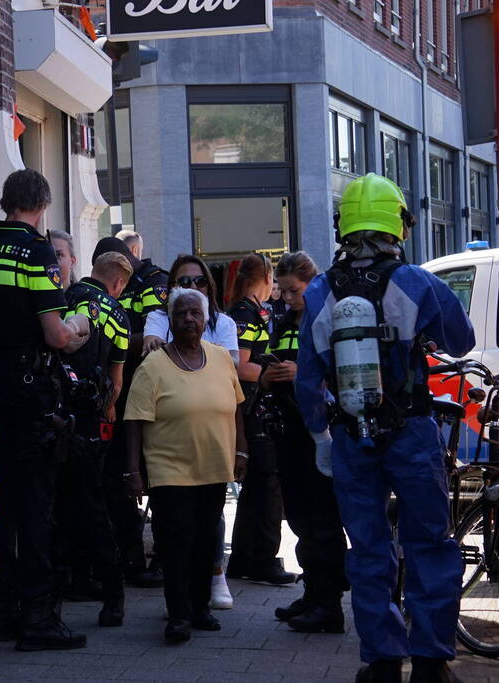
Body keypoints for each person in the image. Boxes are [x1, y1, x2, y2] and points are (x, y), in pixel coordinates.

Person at [296, 174, 475, 683]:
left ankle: (379, 664)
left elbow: (308, 379)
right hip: (412, 435)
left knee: (370, 549)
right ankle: (432, 663)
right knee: (429, 544)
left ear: (343, 224)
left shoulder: (319, 291)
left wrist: (319, 439)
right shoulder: (417, 281)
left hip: (351, 437)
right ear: (397, 222)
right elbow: (461, 342)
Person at [0, 168, 90, 651]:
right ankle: (38, 618)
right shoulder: (36, 251)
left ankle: (1, 611)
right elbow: (56, 334)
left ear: (5, 202)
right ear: (41, 207)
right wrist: (80, 325)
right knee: (35, 505)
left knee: (0, 505)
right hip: (29, 391)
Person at [124, 288, 248, 643]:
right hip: (170, 470)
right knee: (175, 544)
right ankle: (177, 615)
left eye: (195, 313)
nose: (189, 320)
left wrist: (242, 451)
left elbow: (237, 405)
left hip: (213, 466)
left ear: (206, 318)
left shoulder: (221, 357)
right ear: (171, 321)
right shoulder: (154, 365)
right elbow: (134, 420)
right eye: (182, 314)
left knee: (206, 542)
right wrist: (133, 471)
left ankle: (200, 608)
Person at [142, 254, 239, 610]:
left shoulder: (223, 322)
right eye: (184, 282)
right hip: (171, 446)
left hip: (213, 441)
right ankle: (179, 607)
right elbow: (152, 344)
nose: (192, 288)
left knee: (209, 521)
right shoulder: (160, 317)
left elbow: (233, 368)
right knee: (176, 529)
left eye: (199, 281)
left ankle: (214, 577)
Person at [261, 251, 349, 633]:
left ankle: (328, 604)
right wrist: (269, 377)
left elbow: (342, 371)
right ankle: (313, 593)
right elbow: (265, 366)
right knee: (299, 520)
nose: (286, 297)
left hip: (321, 433)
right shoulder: (284, 321)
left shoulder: (328, 319)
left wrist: (304, 372)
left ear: (312, 283)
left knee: (322, 522)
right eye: (281, 290)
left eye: (293, 290)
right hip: (289, 432)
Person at [54, 252, 133, 627]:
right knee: (93, 505)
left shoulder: (65, 294)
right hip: (89, 421)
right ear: (118, 283)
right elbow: (116, 382)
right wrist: (107, 409)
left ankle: (70, 582)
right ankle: (113, 594)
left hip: (54, 412)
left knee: (54, 504)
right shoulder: (118, 315)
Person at [96, 236, 169, 588]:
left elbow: (157, 333)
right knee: (121, 476)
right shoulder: (109, 287)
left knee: (152, 475)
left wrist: (115, 336)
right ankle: (131, 556)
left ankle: (161, 559)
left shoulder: (156, 282)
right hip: (121, 393)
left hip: (152, 392)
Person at [225, 252, 295, 585]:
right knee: (268, 484)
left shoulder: (249, 310)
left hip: (249, 407)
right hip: (251, 408)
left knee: (256, 485)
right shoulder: (245, 313)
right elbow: (238, 364)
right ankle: (264, 559)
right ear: (267, 278)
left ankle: (243, 558)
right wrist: (271, 372)